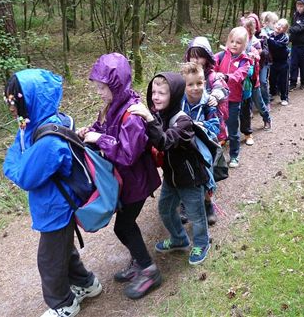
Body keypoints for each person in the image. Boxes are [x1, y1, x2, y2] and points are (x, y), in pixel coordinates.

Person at [3, 69, 102, 317]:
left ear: (30, 99)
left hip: (55, 207)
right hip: (53, 203)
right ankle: (87, 284)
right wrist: (20, 157)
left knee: (49, 260)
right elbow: (19, 147)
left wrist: (15, 162)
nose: (10, 107)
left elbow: (25, 175)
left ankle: (63, 303)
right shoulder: (42, 122)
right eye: (7, 100)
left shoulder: (48, 140)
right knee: (62, 251)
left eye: (14, 101)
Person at [77, 53, 162, 300]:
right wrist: (89, 132)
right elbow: (101, 128)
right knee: (123, 227)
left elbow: (127, 153)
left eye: (103, 87)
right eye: (98, 87)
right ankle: (139, 262)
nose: (99, 92)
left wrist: (100, 139)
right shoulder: (111, 107)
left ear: (116, 85)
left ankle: (148, 269)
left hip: (136, 181)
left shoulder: (132, 114)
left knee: (124, 226)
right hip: (124, 182)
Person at [128, 73, 212, 265]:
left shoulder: (182, 122)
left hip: (190, 179)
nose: (156, 97)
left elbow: (164, 142)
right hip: (172, 178)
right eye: (154, 92)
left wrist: (149, 119)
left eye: (162, 93)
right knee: (165, 209)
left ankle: (202, 242)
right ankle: (179, 239)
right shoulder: (159, 115)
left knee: (195, 215)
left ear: (173, 95)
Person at [180, 61, 220, 225]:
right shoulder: (179, 101)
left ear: (204, 82)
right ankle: (184, 204)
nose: (195, 88)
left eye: (199, 83)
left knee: (204, 174)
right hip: (183, 145)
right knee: (183, 172)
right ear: (184, 86)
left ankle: (208, 203)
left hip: (203, 144)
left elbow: (216, 126)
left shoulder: (207, 102)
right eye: (190, 84)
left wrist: (200, 126)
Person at [214, 27, 251, 168]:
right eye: (232, 41)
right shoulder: (221, 56)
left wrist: (225, 77)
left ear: (245, 45)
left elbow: (239, 76)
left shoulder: (245, 61)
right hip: (217, 98)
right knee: (216, 125)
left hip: (233, 100)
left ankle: (234, 155)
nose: (234, 44)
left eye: (239, 42)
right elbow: (211, 65)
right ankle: (215, 155)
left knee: (233, 129)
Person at [184, 36, 229, 144]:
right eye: (193, 56)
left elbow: (222, 88)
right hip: (190, 116)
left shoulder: (212, 76)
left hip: (209, 118)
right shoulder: (185, 75)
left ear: (207, 57)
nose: (196, 60)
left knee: (210, 144)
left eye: (200, 57)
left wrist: (215, 96)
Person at [239, 14, 272, 145]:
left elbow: (258, 55)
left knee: (258, 102)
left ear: (251, 30)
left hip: (253, 80)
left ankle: (267, 118)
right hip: (241, 81)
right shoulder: (238, 42)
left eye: (245, 29)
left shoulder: (255, 42)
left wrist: (253, 55)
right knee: (242, 105)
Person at [268, 18, 291, 106]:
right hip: (273, 62)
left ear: (285, 30)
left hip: (283, 62)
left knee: (283, 80)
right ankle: (272, 92)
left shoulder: (285, 37)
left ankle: (284, 97)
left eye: (282, 27)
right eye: (278, 24)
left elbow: (276, 45)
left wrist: (268, 39)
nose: (279, 27)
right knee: (272, 78)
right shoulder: (270, 34)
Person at [259, 11, 279, 107]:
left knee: (263, 81)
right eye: (273, 23)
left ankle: (266, 101)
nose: (275, 25)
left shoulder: (274, 34)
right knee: (259, 81)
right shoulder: (261, 32)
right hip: (259, 60)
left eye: (276, 23)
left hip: (267, 61)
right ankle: (259, 100)